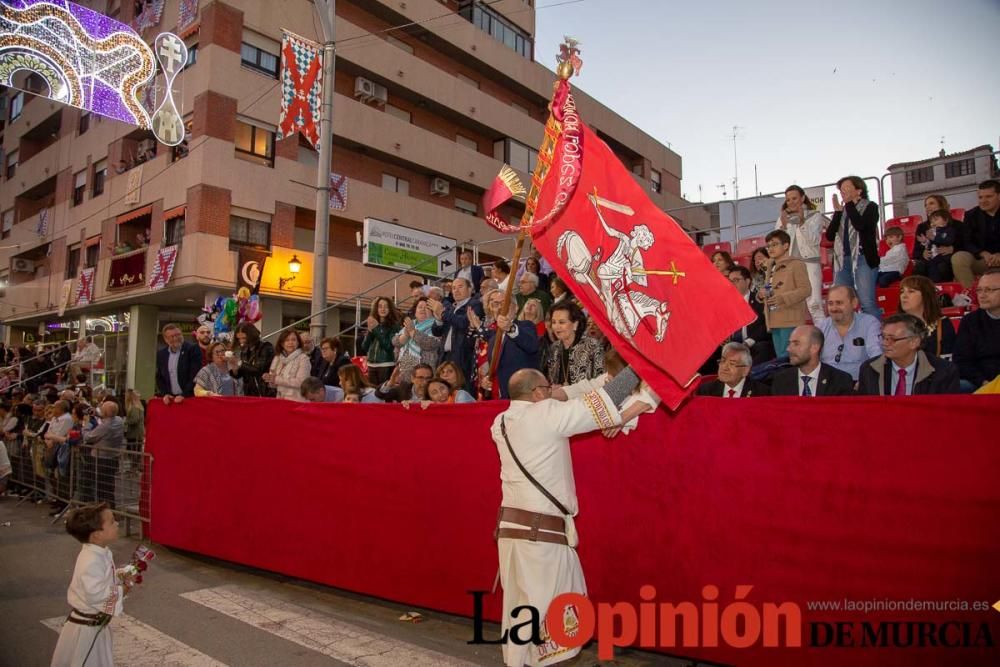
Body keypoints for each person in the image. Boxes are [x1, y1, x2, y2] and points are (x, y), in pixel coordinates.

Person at [490, 366, 652, 667]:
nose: (552, 392)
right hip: (542, 536)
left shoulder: (499, 422)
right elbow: (603, 402)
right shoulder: (545, 414)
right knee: (556, 613)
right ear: (538, 393)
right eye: (548, 388)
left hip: (512, 531)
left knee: (521, 608)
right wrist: (638, 368)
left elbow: (582, 397)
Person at [51, 503, 134, 667]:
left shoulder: (100, 551)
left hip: (94, 624)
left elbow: (102, 580)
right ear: (96, 535)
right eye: (111, 522)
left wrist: (118, 575)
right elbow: (96, 594)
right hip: (86, 629)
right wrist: (122, 590)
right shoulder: (91, 560)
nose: (117, 523)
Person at [858, 314, 961, 395]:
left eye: (892, 339)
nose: (884, 343)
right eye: (883, 337)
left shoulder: (944, 372)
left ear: (914, 342)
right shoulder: (869, 369)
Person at [469, 289, 540, 400]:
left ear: (516, 308)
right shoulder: (492, 340)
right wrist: (487, 380)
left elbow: (532, 345)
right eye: (495, 304)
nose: (500, 307)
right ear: (490, 310)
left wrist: (510, 328)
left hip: (524, 397)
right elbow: (497, 369)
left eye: (504, 303)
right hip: (501, 399)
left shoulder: (526, 326)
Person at [826, 175, 880, 317]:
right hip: (842, 261)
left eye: (847, 188)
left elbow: (860, 225)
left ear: (859, 190)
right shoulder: (842, 211)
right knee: (842, 302)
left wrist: (849, 205)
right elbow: (830, 236)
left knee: (867, 302)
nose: (843, 192)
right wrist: (837, 213)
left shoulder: (870, 207)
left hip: (863, 259)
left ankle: (874, 336)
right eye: (841, 190)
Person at [775, 185, 828, 322]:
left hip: (810, 264)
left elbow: (814, 240)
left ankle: (824, 340)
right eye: (788, 200)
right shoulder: (782, 219)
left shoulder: (814, 215)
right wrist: (784, 226)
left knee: (814, 304)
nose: (791, 202)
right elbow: (779, 245)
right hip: (790, 266)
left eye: (794, 198)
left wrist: (802, 222)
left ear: (803, 198)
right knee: (792, 306)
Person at [760, 229, 810, 354]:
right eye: (768, 246)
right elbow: (770, 288)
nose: (770, 248)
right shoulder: (770, 266)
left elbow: (806, 290)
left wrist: (783, 298)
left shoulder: (796, 264)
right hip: (773, 319)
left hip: (790, 319)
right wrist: (761, 295)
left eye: (775, 244)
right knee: (781, 360)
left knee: (789, 357)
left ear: (786, 245)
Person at [817, 286, 882, 381]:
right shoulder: (821, 327)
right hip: (827, 384)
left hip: (859, 382)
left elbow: (877, 357)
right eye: (830, 303)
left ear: (854, 303)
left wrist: (866, 381)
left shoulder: (869, 323)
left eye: (839, 303)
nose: (834, 308)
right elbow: (812, 359)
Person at [770, 325, 855, 396]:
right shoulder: (781, 381)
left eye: (796, 344)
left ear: (814, 348)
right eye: (789, 343)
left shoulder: (839, 380)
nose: (789, 349)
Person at [431, 277, 483, 392]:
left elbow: (463, 323)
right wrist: (439, 319)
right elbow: (436, 331)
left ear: (470, 289)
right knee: (443, 391)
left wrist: (443, 313)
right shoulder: (451, 307)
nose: (456, 290)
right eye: (453, 288)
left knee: (461, 392)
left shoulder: (475, 304)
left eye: (460, 287)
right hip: (444, 356)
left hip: (463, 356)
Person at [953, 268, 1000, 391]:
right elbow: (961, 361)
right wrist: (984, 383)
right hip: (980, 383)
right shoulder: (970, 321)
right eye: (979, 290)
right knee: (954, 386)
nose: (982, 295)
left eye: (989, 290)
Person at [951, 179, 1000, 288]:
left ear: (999, 196)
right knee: (959, 258)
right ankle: (973, 296)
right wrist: (983, 253)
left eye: (988, 196)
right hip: (983, 260)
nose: (983, 201)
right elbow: (967, 242)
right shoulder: (971, 215)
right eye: (980, 197)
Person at [543, 302, 605, 386]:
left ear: (575, 324)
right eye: (554, 322)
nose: (556, 327)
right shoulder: (554, 347)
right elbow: (550, 379)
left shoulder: (592, 346)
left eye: (561, 322)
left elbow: (601, 380)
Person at [898, 275, 956, 359]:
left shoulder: (943, 324)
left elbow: (948, 362)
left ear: (926, 295)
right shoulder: (894, 325)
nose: (904, 296)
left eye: (911, 291)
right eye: (902, 291)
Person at [727, 266, 775, 364]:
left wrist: (748, 342)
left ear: (748, 281)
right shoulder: (724, 303)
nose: (732, 284)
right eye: (730, 281)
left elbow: (765, 325)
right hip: (731, 344)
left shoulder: (759, 300)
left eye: (736, 280)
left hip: (752, 342)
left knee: (763, 348)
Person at [83, 402, 125, 509]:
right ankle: (111, 508)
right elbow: (109, 417)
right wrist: (97, 414)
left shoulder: (105, 427)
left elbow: (88, 437)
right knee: (109, 485)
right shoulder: (119, 420)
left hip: (101, 459)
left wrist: (86, 424)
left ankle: (103, 510)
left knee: (101, 487)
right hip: (113, 457)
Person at [392, 297, 441, 382]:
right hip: (404, 368)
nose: (423, 309)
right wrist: (405, 336)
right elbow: (395, 342)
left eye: (427, 307)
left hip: (425, 370)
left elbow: (431, 343)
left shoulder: (436, 325)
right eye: (420, 307)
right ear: (415, 311)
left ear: (432, 311)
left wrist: (413, 332)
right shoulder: (411, 323)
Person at [696, 342, 770, 397]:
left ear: (745, 370)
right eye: (723, 361)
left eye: (732, 363)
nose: (724, 367)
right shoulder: (705, 391)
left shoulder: (762, 393)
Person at [361, 297, 402, 386]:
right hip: (371, 365)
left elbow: (388, 347)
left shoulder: (395, 326)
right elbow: (364, 347)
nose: (383, 309)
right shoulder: (374, 324)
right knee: (374, 394)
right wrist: (370, 332)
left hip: (386, 365)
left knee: (384, 393)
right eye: (380, 306)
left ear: (390, 309)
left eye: (386, 306)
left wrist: (376, 329)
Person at [155, 323, 201, 404]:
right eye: (172, 336)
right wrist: (165, 394)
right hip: (171, 400)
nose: (176, 338)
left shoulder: (192, 349)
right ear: (165, 339)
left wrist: (184, 395)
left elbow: (196, 375)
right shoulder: (161, 354)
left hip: (189, 399)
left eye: (178, 335)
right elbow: (159, 377)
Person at [228, 322, 275, 397]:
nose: (241, 341)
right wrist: (235, 369)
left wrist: (239, 363)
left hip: (265, 392)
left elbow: (259, 370)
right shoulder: (244, 350)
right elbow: (244, 373)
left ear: (252, 336)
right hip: (249, 393)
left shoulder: (266, 347)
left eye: (244, 338)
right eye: (238, 339)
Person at [913, 194, 954, 277]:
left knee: (942, 266)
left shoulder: (955, 224)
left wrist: (952, 249)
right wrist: (923, 253)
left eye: (931, 203)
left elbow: (964, 245)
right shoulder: (922, 227)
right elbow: (916, 252)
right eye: (926, 205)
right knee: (918, 266)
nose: (927, 207)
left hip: (946, 258)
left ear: (942, 205)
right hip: (929, 259)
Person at [263, 329, 311, 401]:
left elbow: (301, 382)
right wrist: (269, 378)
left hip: (297, 400)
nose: (290, 342)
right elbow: (274, 384)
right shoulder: (277, 357)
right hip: (280, 399)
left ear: (298, 342)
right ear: (282, 344)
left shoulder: (304, 358)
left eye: (293, 340)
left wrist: (276, 379)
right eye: (287, 340)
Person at [923, 210, 960, 283]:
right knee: (930, 267)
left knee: (941, 267)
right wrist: (926, 243)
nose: (933, 223)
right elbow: (930, 244)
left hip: (945, 257)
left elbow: (949, 241)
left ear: (946, 220)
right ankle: (934, 284)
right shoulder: (933, 231)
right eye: (932, 221)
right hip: (934, 257)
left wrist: (935, 238)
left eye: (936, 220)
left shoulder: (949, 230)